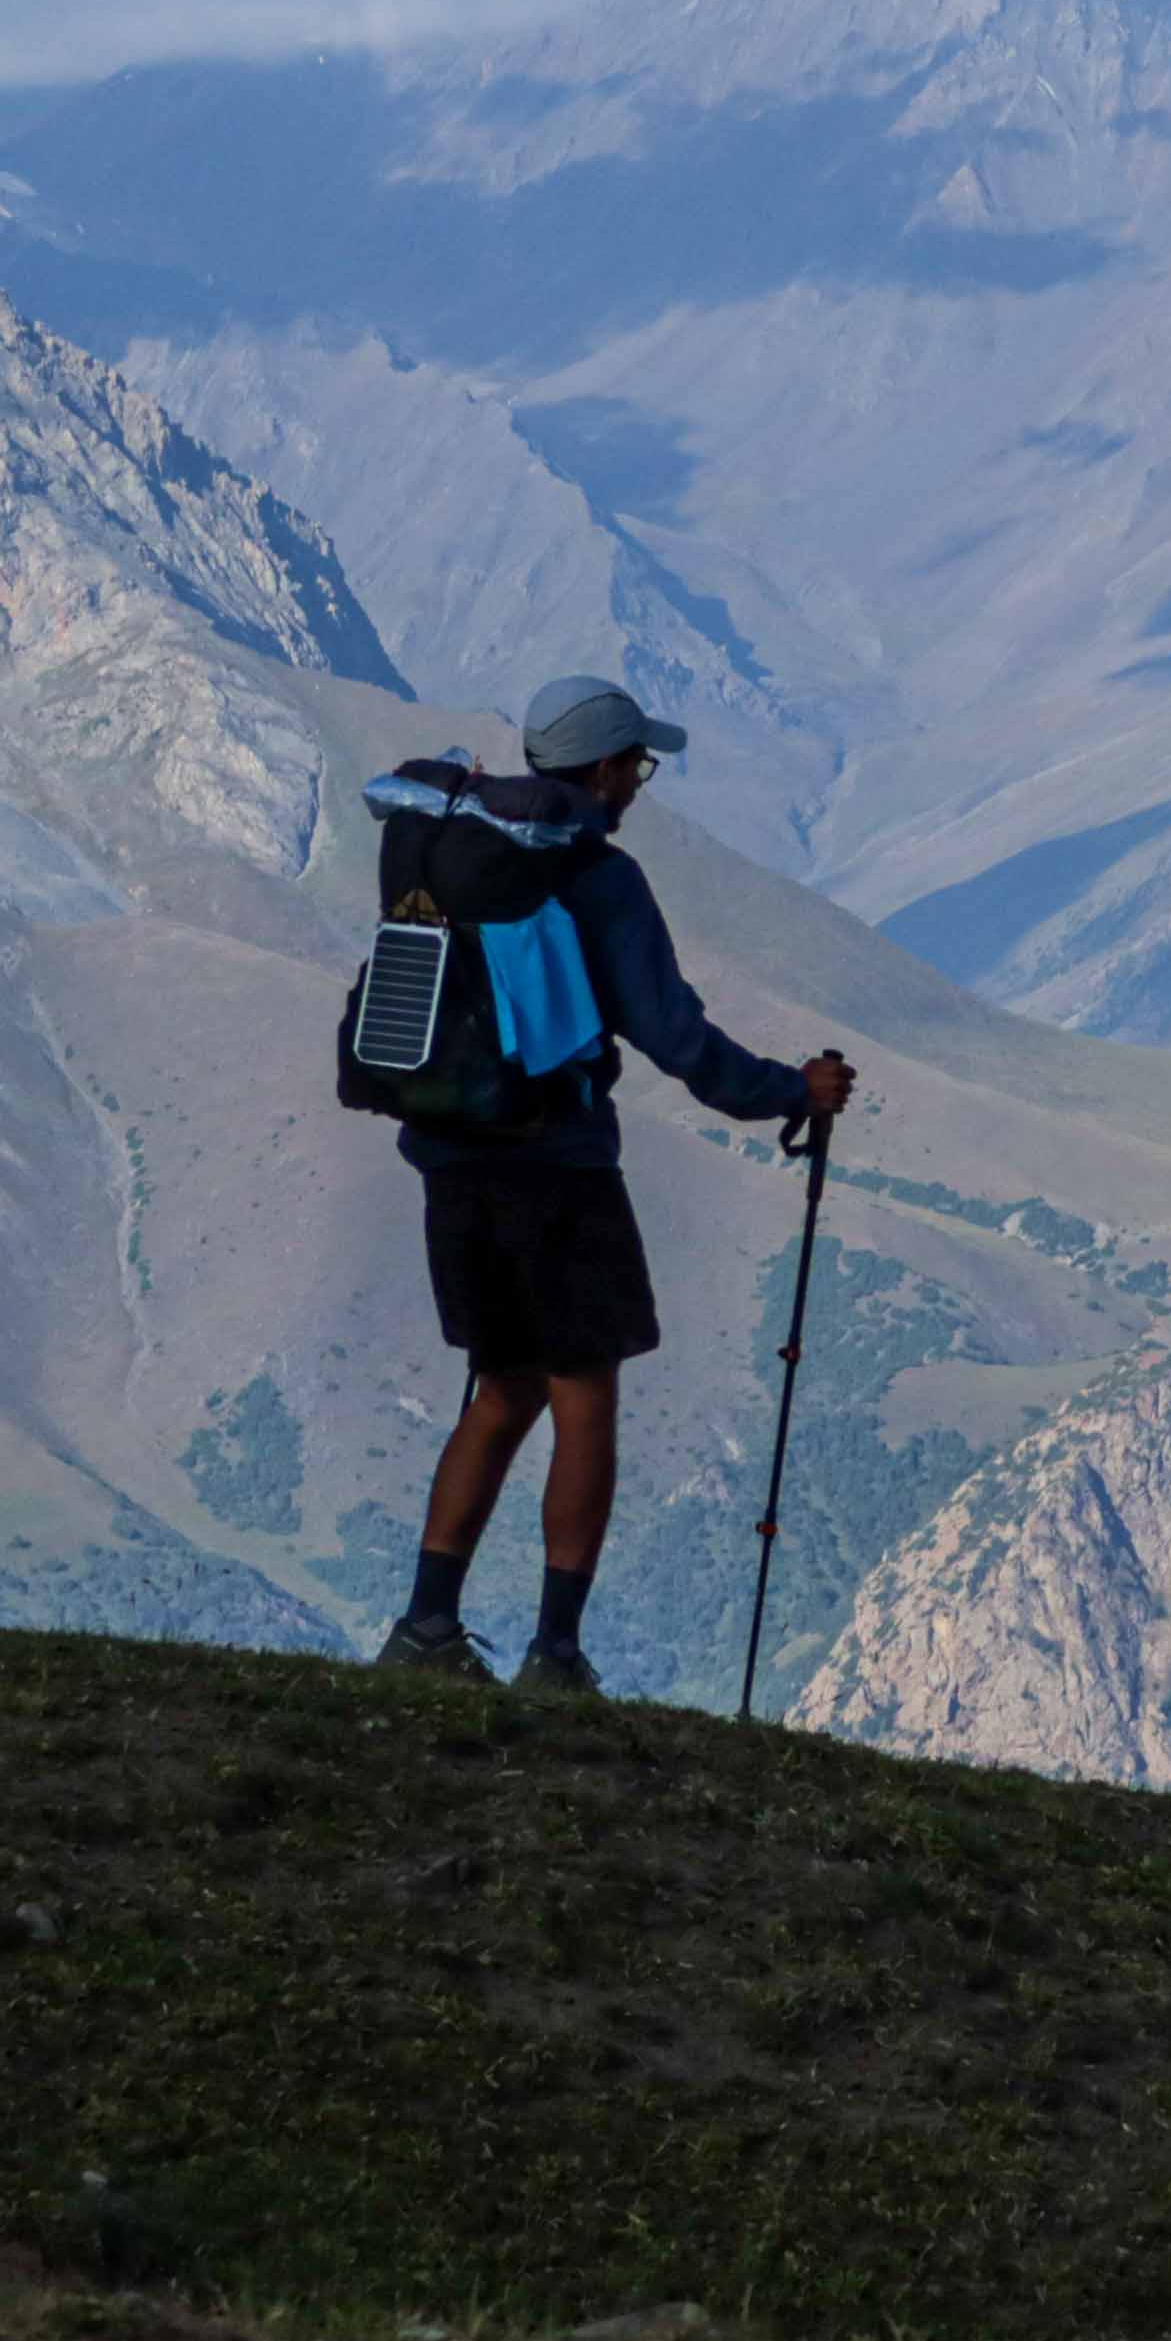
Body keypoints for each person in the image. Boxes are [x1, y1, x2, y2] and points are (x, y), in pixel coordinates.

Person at [373, 674, 854, 1693]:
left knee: (501, 1390)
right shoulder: (598, 878)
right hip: (558, 1169)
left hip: (451, 1160)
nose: (638, 784)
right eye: (635, 765)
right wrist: (793, 1093)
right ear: (599, 769)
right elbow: (676, 1038)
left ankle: (425, 1626)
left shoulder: (454, 851)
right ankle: (556, 1653)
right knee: (584, 1395)